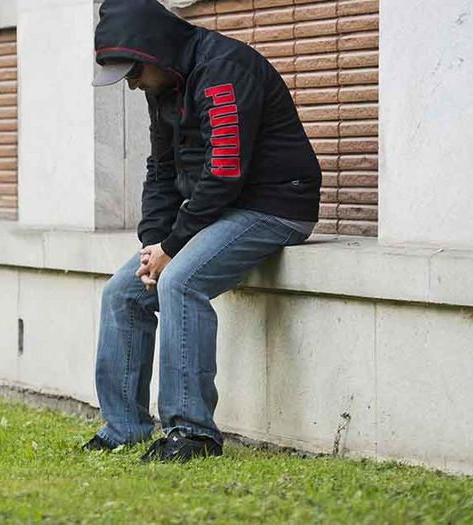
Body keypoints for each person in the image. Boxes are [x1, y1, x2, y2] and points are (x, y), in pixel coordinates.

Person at [84, 0, 322, 464]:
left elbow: (225, 172)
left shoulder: (224, 70)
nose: (132, 84)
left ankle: (192, 434)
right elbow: (161, 169)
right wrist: (153, 244)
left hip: (274, 206)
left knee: (180, 281)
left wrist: (174, 248)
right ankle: (124, 429)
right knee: (123, 293)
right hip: (220, 210)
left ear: (155, 52)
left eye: (133, 72)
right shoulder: (163, 84)